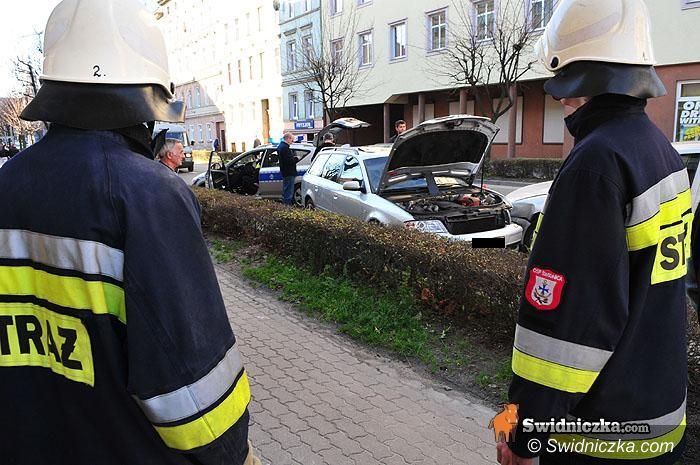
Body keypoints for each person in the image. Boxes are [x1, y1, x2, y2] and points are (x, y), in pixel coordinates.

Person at [1, 1, 258, 464]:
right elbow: (197, 399)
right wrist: (235, 454)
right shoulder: (148, 195)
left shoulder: (6, 184)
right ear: (147, 99)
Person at [500, 1, 687, 464]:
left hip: (598, 436)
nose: (562, 98)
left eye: (565, 80)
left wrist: (522, 432)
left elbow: (565, 326)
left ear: (586, 78)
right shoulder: (661, 151)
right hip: (659, 421)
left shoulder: (596, 164)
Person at [277, 132, 298, 205]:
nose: (292, 142)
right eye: (292, 140)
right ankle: (287, 206)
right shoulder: (285, 148)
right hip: (289, 172)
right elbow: (289, 161)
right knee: (288, 191)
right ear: (288, 138)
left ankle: (285, 205)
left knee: (286, 189)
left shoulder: (281, 146)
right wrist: (296, 159)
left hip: (285, 171)